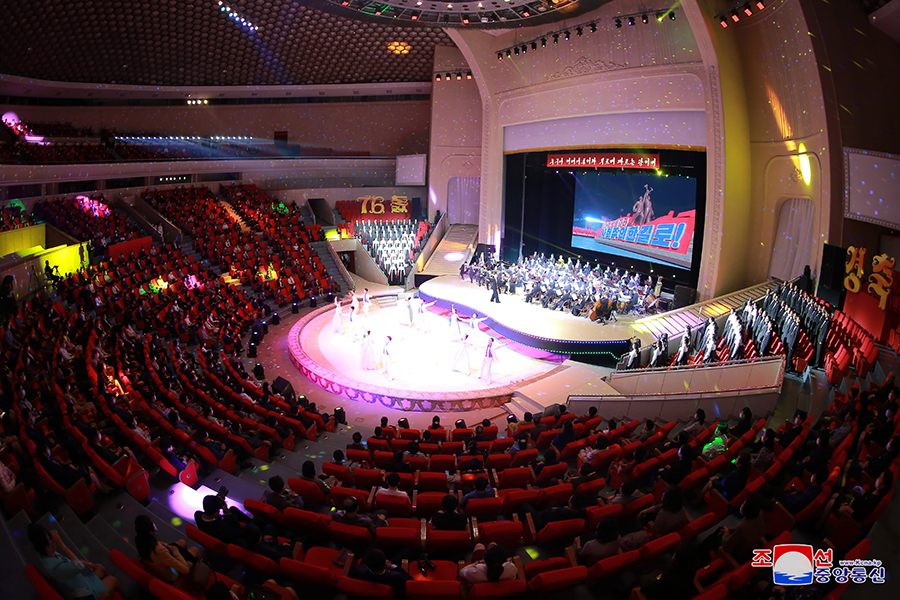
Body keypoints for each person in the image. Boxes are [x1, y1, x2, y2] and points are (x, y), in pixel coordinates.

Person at [29, 523, 120, 600]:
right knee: (113, 580)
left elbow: (74, 563)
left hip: (81, 580)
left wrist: (85, 562)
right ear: (47, 547)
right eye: (50, 538)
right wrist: (61, 544)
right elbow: (79, 565)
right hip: (86, 593)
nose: (54, 538)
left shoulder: (46, 554)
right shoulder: (56, 568)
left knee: (100, 568)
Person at [134, 515, 200, 585]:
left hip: (160, 564)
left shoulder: (140, 540)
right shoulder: (159, 551)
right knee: (195, 550)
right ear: (150, 532)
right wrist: (175, 551)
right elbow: (186, 570)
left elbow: (157, 543)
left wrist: (165, 545)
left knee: (182, 542)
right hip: (172, 576)